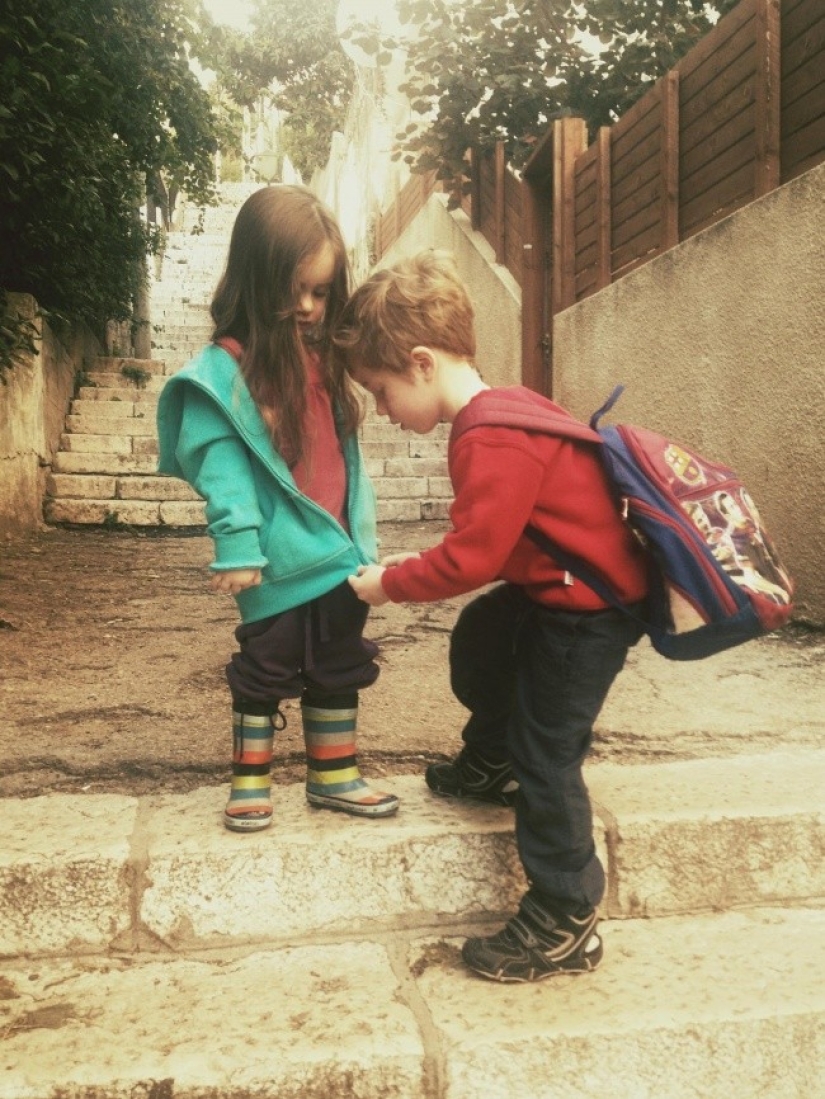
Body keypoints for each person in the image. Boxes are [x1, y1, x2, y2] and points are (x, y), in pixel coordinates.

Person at [336, 251, 650, 982]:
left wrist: (386, 584)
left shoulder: (489, 433)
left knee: (550, 752)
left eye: (380, 391)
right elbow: (499, 538)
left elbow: (471, 557)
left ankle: (564, 914)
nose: (382, 410)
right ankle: (489, 755)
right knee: (484, 637)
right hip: (556, 590)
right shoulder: (505, 408)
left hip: (590, 610)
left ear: (418, 363)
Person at [156, 185, 398, 832]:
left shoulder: (323, 357)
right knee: (263, 670)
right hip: (274, 560)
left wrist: (364, 545)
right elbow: (222, 466)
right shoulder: (226, 371)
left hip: (338, 552)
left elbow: (347, 465)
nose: (307, 306)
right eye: (294, 288)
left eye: (321, 292)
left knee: (340, 664)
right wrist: (237, 544)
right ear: (254, 275)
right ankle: (250, 780)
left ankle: (334, 773)